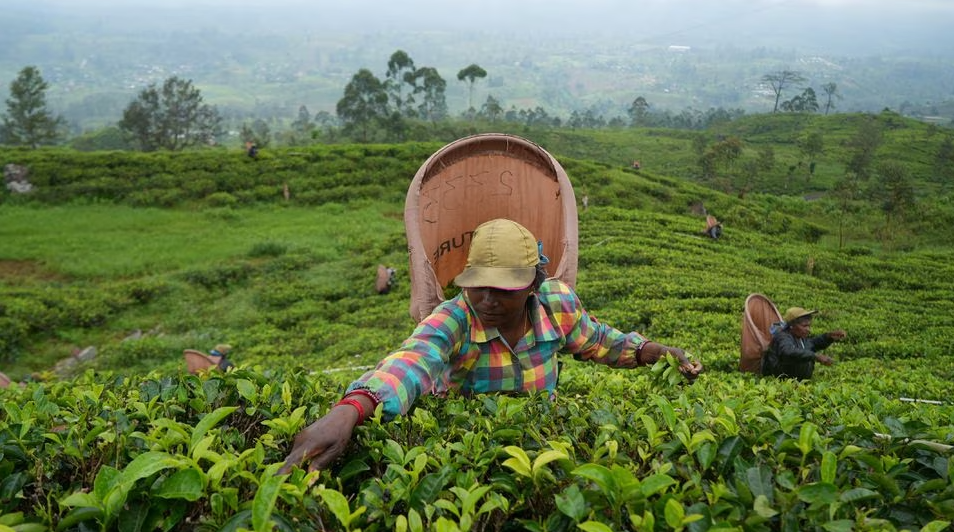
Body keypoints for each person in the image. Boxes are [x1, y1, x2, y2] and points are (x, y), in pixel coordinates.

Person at [280, 218, 703, 473]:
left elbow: (599, 341)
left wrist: (656, 352)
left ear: (534, 284)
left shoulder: (556, 304)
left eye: (504, 290)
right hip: (468, 451)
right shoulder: (455, 317)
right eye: (478, 286)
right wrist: (349, 411)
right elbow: (411, 362)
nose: (487, 299)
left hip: (543, 443)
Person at [761, 307, 846, 379]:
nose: (808, 329)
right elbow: (788, 351)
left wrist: (828, 337)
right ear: (792, 325)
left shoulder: (800, 337)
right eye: (804, 326)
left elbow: (812, 344)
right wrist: (815, 356)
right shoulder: (783, 336)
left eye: (809, 326)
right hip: (782, 381)